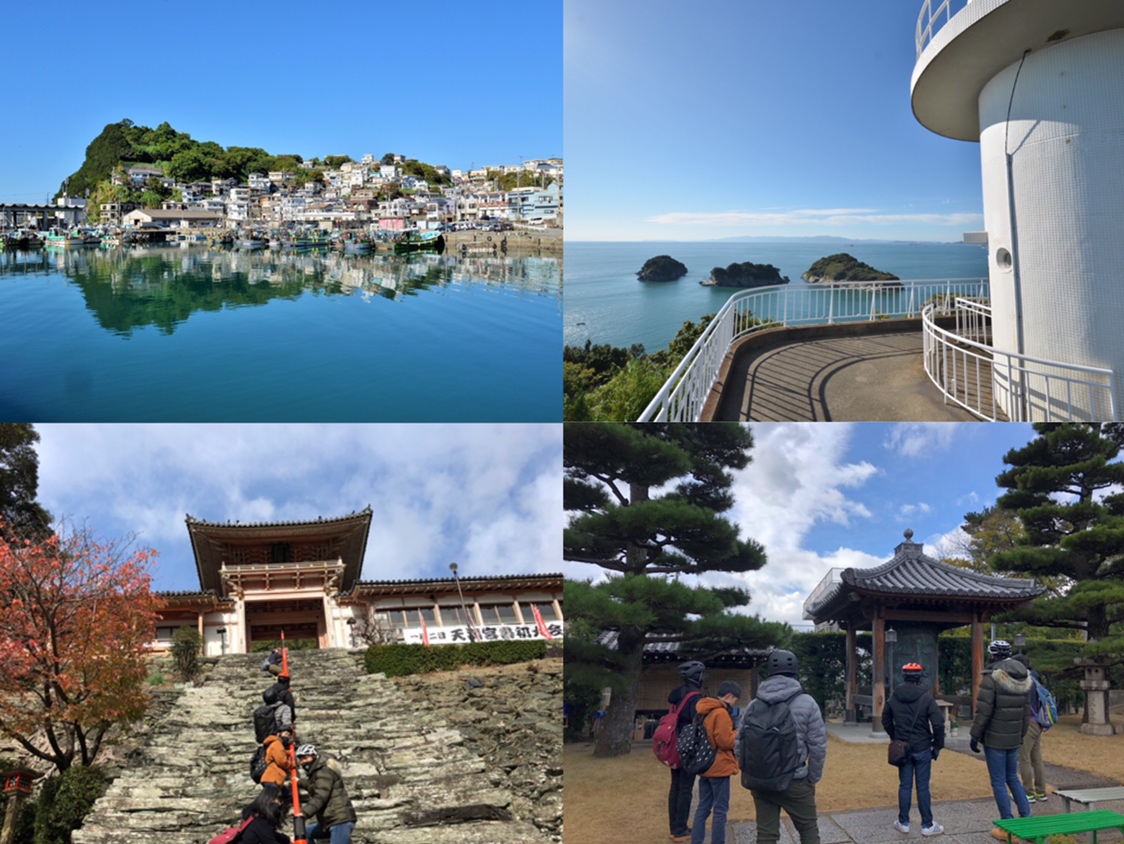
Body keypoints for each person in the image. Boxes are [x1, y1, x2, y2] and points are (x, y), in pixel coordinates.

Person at [745, 649, 827, 844]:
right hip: (796, 779)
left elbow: (740, 743)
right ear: (795, 673)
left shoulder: (753, 705)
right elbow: (818, 746)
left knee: (766, 835)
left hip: (761, 780)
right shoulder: (807, 703)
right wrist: (813, 777)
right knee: (808, 830)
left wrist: (752, 771)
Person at [969, 640, 1033, 839]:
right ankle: (1027, 818)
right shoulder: (1024, 677)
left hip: (995, 738)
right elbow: (1025, 712)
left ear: (993, 655)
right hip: (1014, 737)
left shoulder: (991, 678)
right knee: (1012, 777)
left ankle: (1007, 823)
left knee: (998, 781)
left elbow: (983, 711)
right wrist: (1021, 734)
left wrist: (975, 735)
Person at [881, 662, 945, 837]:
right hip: (923, 746)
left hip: (903, 747)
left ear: (904, 676)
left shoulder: (894, 697)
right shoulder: (926, 698)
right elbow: (938, 723)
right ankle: (927, 825)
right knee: (923, 787)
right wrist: (938, 745)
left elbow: (885, 719)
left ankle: (903, 822)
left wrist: (895, 736)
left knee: (905, 786)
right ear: (920, 678)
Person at [690, 681, 741, 844]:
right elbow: (725, 742)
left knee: (703, 808)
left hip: (704, 764)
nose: (734, 704)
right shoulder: (721, 713)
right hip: (719, 766)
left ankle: (696, 841)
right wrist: (737, 733)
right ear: (728, 696)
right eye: (735, 700)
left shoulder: (702, 710)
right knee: (720, 810)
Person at [668, 660, 706, 842]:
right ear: (697, 676)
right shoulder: (695, 697)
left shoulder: (677, 694)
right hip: (687, 746)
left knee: (675, 786)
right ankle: (681, 829)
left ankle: (674, 827)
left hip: (673, 744)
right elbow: (698, 723)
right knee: (685, 788)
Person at [295, 743, 357, 844]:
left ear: (314, 756)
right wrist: (299, 781)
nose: (303, 762)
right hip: (330, 820)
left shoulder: (323, 771)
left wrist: (304, 813)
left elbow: (321, 795)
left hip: (339, 820)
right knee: (305, 832)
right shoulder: (318, 772)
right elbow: (315, 787)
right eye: (300, 759)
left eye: (305, 758)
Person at [1011, 653, 1048, 802]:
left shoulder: (1023, 680)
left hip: (1027, 723)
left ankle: (1027, 792)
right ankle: (1041, 791)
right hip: (1038, 723)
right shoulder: (1035, 678)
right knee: (1036, 758)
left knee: (1024, 758)